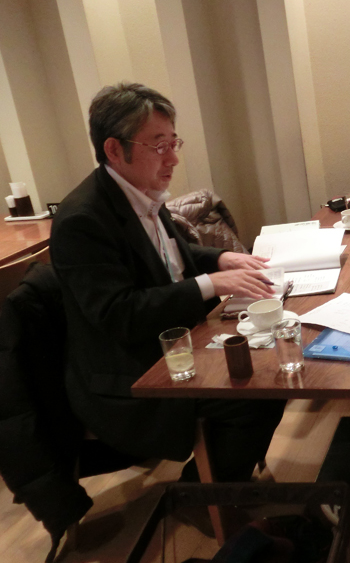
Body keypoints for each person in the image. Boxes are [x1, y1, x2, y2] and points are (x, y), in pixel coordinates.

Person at [50, 82, 284, 482]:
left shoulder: (139, 190)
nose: (173, 158)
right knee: (257, 395)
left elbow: (166, 255)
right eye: (159, 146)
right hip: (128, 377)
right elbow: (120, 313)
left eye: (174, 142)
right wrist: (212, 283)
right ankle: (201, 497)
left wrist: (220, 258)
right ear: (114, 149)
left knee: (267, 368)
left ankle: (219, 486)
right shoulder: (82, 220)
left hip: (172, 342)